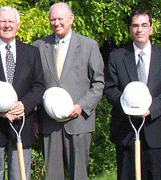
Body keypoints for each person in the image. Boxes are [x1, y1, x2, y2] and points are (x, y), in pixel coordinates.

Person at [0, 6, 45, 180]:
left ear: (18, 25)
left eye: (11, 21)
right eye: (3, 21)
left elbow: (39, 86)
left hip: (22, 124)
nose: (7, 25)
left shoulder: (32, 53)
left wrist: (24, 105)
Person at [32, 2, 104, 179]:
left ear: (71, 19)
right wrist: (34, 118)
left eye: (60, 19)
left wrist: (81, 106)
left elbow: (99, 83)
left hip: (78, 121)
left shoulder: (89, 45)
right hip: (49, 122)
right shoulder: (39, 46)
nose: (56, 23)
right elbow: (34, 85)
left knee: (78, 175)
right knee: (52, 176)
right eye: (52, 19)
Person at [104, 10, 161, 180]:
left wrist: (151, 108)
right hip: (125, 129)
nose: (140, 30)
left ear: (151, 29)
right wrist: (128, 106)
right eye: (135, 26)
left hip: (154, 128)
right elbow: (110, 89)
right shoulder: (117, 57)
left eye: (144, 25)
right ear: (130, 29)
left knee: (152, 176)